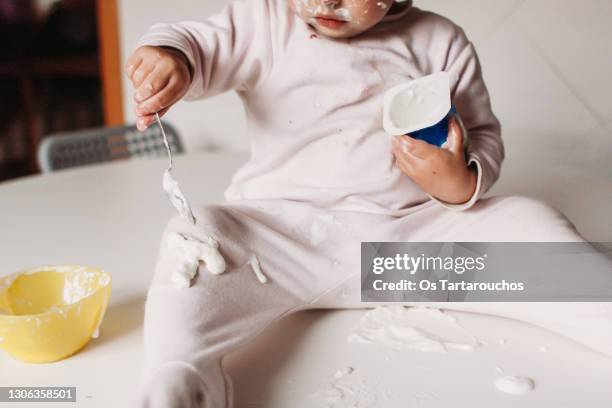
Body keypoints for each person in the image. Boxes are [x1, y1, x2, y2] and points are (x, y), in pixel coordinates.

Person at [126, 1, 582, 406]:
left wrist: (459, 179)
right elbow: (198, 43)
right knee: (193, 237)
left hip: (406, 250)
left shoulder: (440, 41)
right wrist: (173, 59)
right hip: (280, 248)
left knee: (530, 220)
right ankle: (179, 377)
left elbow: (482, 134)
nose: (326, 1)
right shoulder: (261, 18)